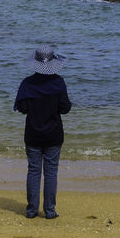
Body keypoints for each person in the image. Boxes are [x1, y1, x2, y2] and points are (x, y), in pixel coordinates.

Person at [14, 45, 72, 219]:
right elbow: (65, 108)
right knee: (51, 172)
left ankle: (32, 210)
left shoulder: (27, 83)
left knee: (33, 171)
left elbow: (22, 108)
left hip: (32, 133)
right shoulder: (59, 82)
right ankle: (50, 210)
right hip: (54, 134)